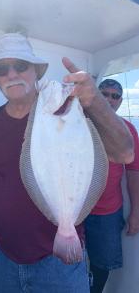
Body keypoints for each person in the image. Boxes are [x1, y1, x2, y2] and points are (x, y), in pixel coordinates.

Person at [0, 33, 134, 293]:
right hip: (4, 256)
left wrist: (95, 99)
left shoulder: (76, 111)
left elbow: (125, 153)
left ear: (36, 72)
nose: (11, 74)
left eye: (20, 66)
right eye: (1, 69)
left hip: (58, 263)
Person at [85, 79, 139, 293]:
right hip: (73, 210)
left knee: (102, 265)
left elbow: (134, 171)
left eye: (114, 96)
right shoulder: (78, 121)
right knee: (64, 261)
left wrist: (135, 211)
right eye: (103, 94)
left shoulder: (128, 129)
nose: (109, 99)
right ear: (95, 95)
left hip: (107, 212)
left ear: (120, 101)